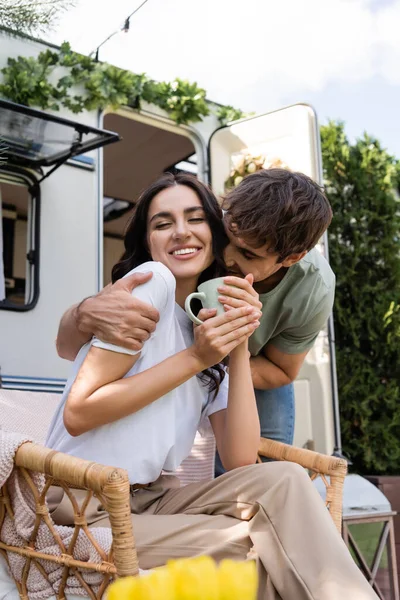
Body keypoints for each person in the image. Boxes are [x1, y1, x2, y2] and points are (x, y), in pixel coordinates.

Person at [47, 173, 377, 600]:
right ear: (148, 241)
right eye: (163, 223)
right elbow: (79, 413)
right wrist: (196, 358)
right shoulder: (151, 286)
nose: (182, 231)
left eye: (195, 218)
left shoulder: (208, 327)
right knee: (270, 547)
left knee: (285, 480)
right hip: (80, 506)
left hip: (148, 502)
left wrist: (236, 344)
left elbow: (241, 460)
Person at [56, 168, 335, 475]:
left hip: (248, 362)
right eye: (227, 236)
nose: (227, 257)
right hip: (100, 484)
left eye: (246, 253)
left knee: (269, 472)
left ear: (292, 258)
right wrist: (83, 313)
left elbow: (280, 374)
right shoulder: (157, 279)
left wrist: (233, 346)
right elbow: (70, 356)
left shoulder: (312, 287)